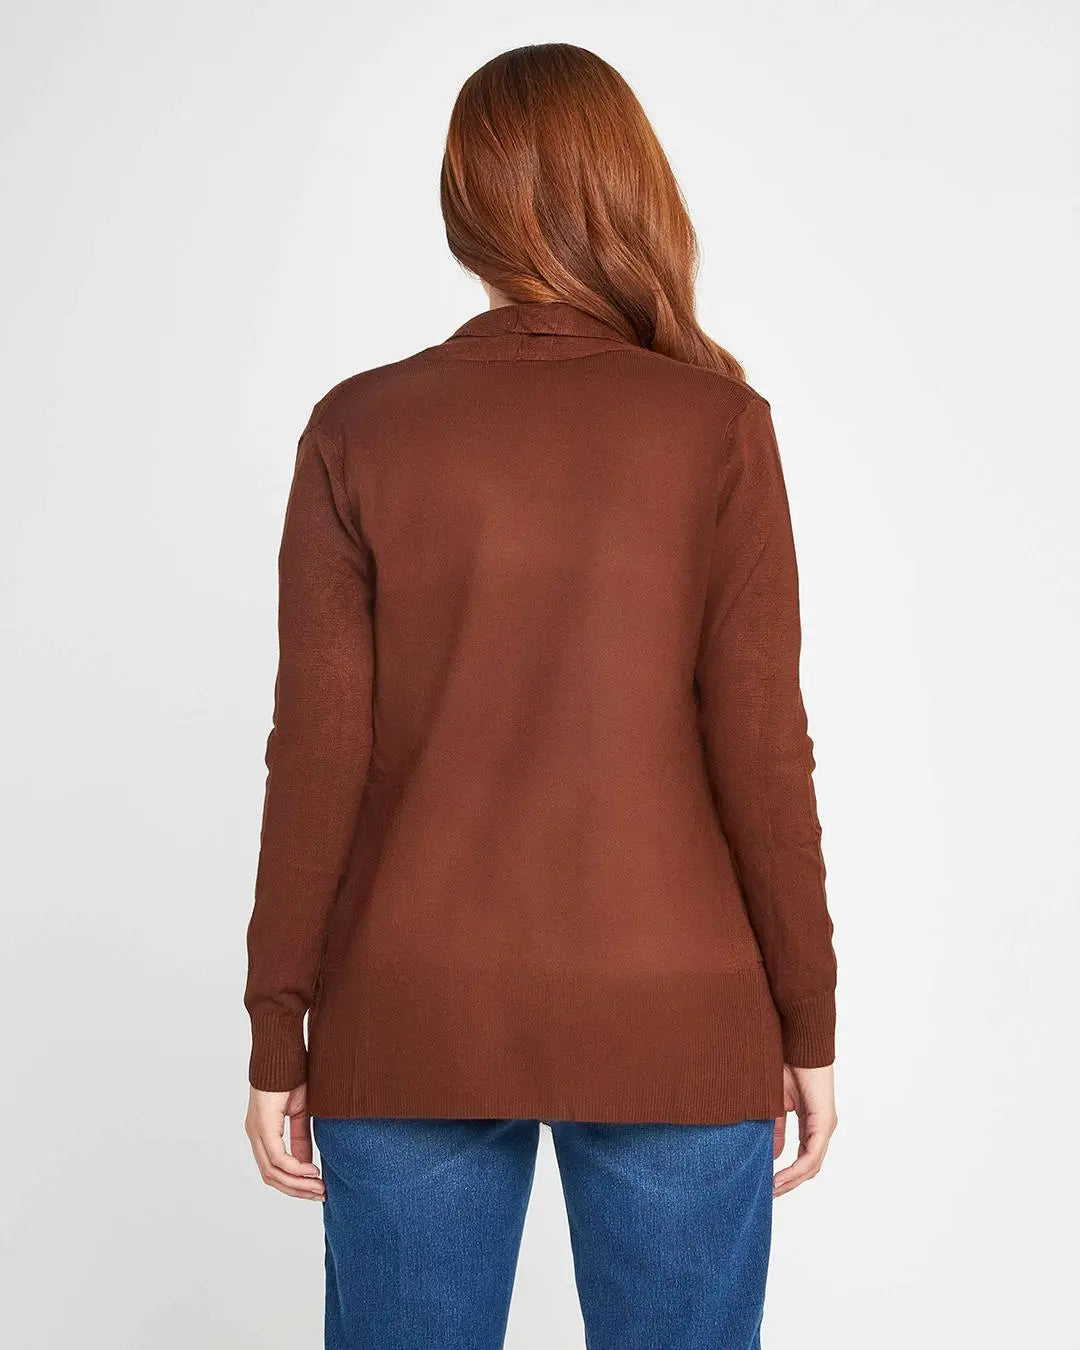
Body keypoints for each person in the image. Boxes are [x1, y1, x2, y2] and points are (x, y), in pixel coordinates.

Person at [243, 42, 838, 1350]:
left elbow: (317, 755)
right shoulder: (716, 426)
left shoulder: (359, 427)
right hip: (673, 1006)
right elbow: (763, 751)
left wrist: (279, 1025)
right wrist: (808, 1016)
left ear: (463, 204)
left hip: (411, 1005)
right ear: (631, 188)